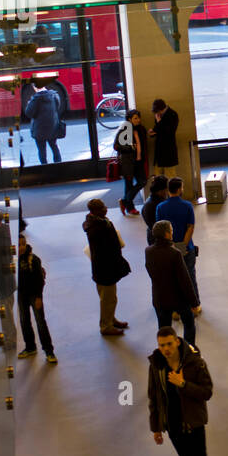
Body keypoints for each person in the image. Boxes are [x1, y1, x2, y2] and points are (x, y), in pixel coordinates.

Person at [149, 326, 222, 456]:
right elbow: (154, 396)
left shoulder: (194, 362)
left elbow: (207, 392)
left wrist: (183, 384)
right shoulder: (156, 364)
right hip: (172, 425)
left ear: (177, 342)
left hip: (193, 422)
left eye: (169, 344)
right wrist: (156, 427)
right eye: (162, 345)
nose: (166, 349)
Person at [145, 219, 200, 347]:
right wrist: (194, 302)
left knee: (164, 329)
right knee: (189, 324)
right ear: (167, 235)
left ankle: (167, 351)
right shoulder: (174, 253)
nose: (172, 233)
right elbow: (185, 280)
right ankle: (188, 349)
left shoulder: (148, 251)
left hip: (160, 298)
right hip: (179, 298)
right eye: (171, 231)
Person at [82, 198, 130, 336]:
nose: (106, 209)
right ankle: (106, 326)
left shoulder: (98, 223)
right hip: (105, 269)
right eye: (102, 207)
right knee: (107, 298)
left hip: (104, 268)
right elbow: (107, 248)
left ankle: (110, 319)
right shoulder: (98, 228)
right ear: (95, 211)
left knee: (110, 297)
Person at [156, 177, 200, 312]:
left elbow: (161, 229)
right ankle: (194, 305)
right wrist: (182, 246)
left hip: (168, 248)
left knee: (172, 278)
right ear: (180, 189)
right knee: (190, 276)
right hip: (187, 248)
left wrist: (172, 246)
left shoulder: (161, 207)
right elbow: (190, 227)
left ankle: (176, 309)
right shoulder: (187, 205)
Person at [17, 233, 57, 363]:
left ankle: (49, 351)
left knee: (40, 322)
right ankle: (30, 347)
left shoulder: (34, 260)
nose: (21, 247)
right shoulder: (13, 261)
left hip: (34, 295)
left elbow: (39, 280)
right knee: (24, 321)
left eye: (23, 244)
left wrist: (39, 297)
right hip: (21, 296)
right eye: (18, 245)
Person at [114, 109, 149, 216]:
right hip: (127, 161)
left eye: (139, 118)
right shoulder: (124, 129)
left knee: (143, 181)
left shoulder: (141, 129)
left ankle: (124, 201)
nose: (138, 120)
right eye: (135, 118)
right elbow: (116, 146)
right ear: (129, 119)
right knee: (128, 185)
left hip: (139, 160)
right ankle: (130, 208)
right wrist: (130, 147)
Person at [25, 82, 63, 164]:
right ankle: (59, 164)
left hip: (39, 130)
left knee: (42, 150)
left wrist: (29, 103)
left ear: (35, 88)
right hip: (53, 128)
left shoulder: (35, 99)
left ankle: (44, 167)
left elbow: (29, 113)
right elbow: (57, 107)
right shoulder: (54, 95)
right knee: (54, 146)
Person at [0, 211, 16, 351]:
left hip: (2, 281)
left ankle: (10, 340)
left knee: (6, 312)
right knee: (5, 310)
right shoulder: (3, 231)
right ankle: (7, 336)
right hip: (3, 280)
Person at [149, 98, 179, 175]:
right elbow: (158, 129)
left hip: (168, 150)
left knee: (170, 177)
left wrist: (159, 122)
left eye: (158, 111)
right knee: (158, 178)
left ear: (162, 109)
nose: (157, 113)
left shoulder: (172, 114)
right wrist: (153, 132)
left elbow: (170, 132)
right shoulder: (158, 114)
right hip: (159, 151)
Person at [142, 175, 170, 244]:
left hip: (153, 236)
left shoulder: (149, 201)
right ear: (161, 190)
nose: (168, 190)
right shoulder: (158, 205)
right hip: (159, 240)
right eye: (167, 188)